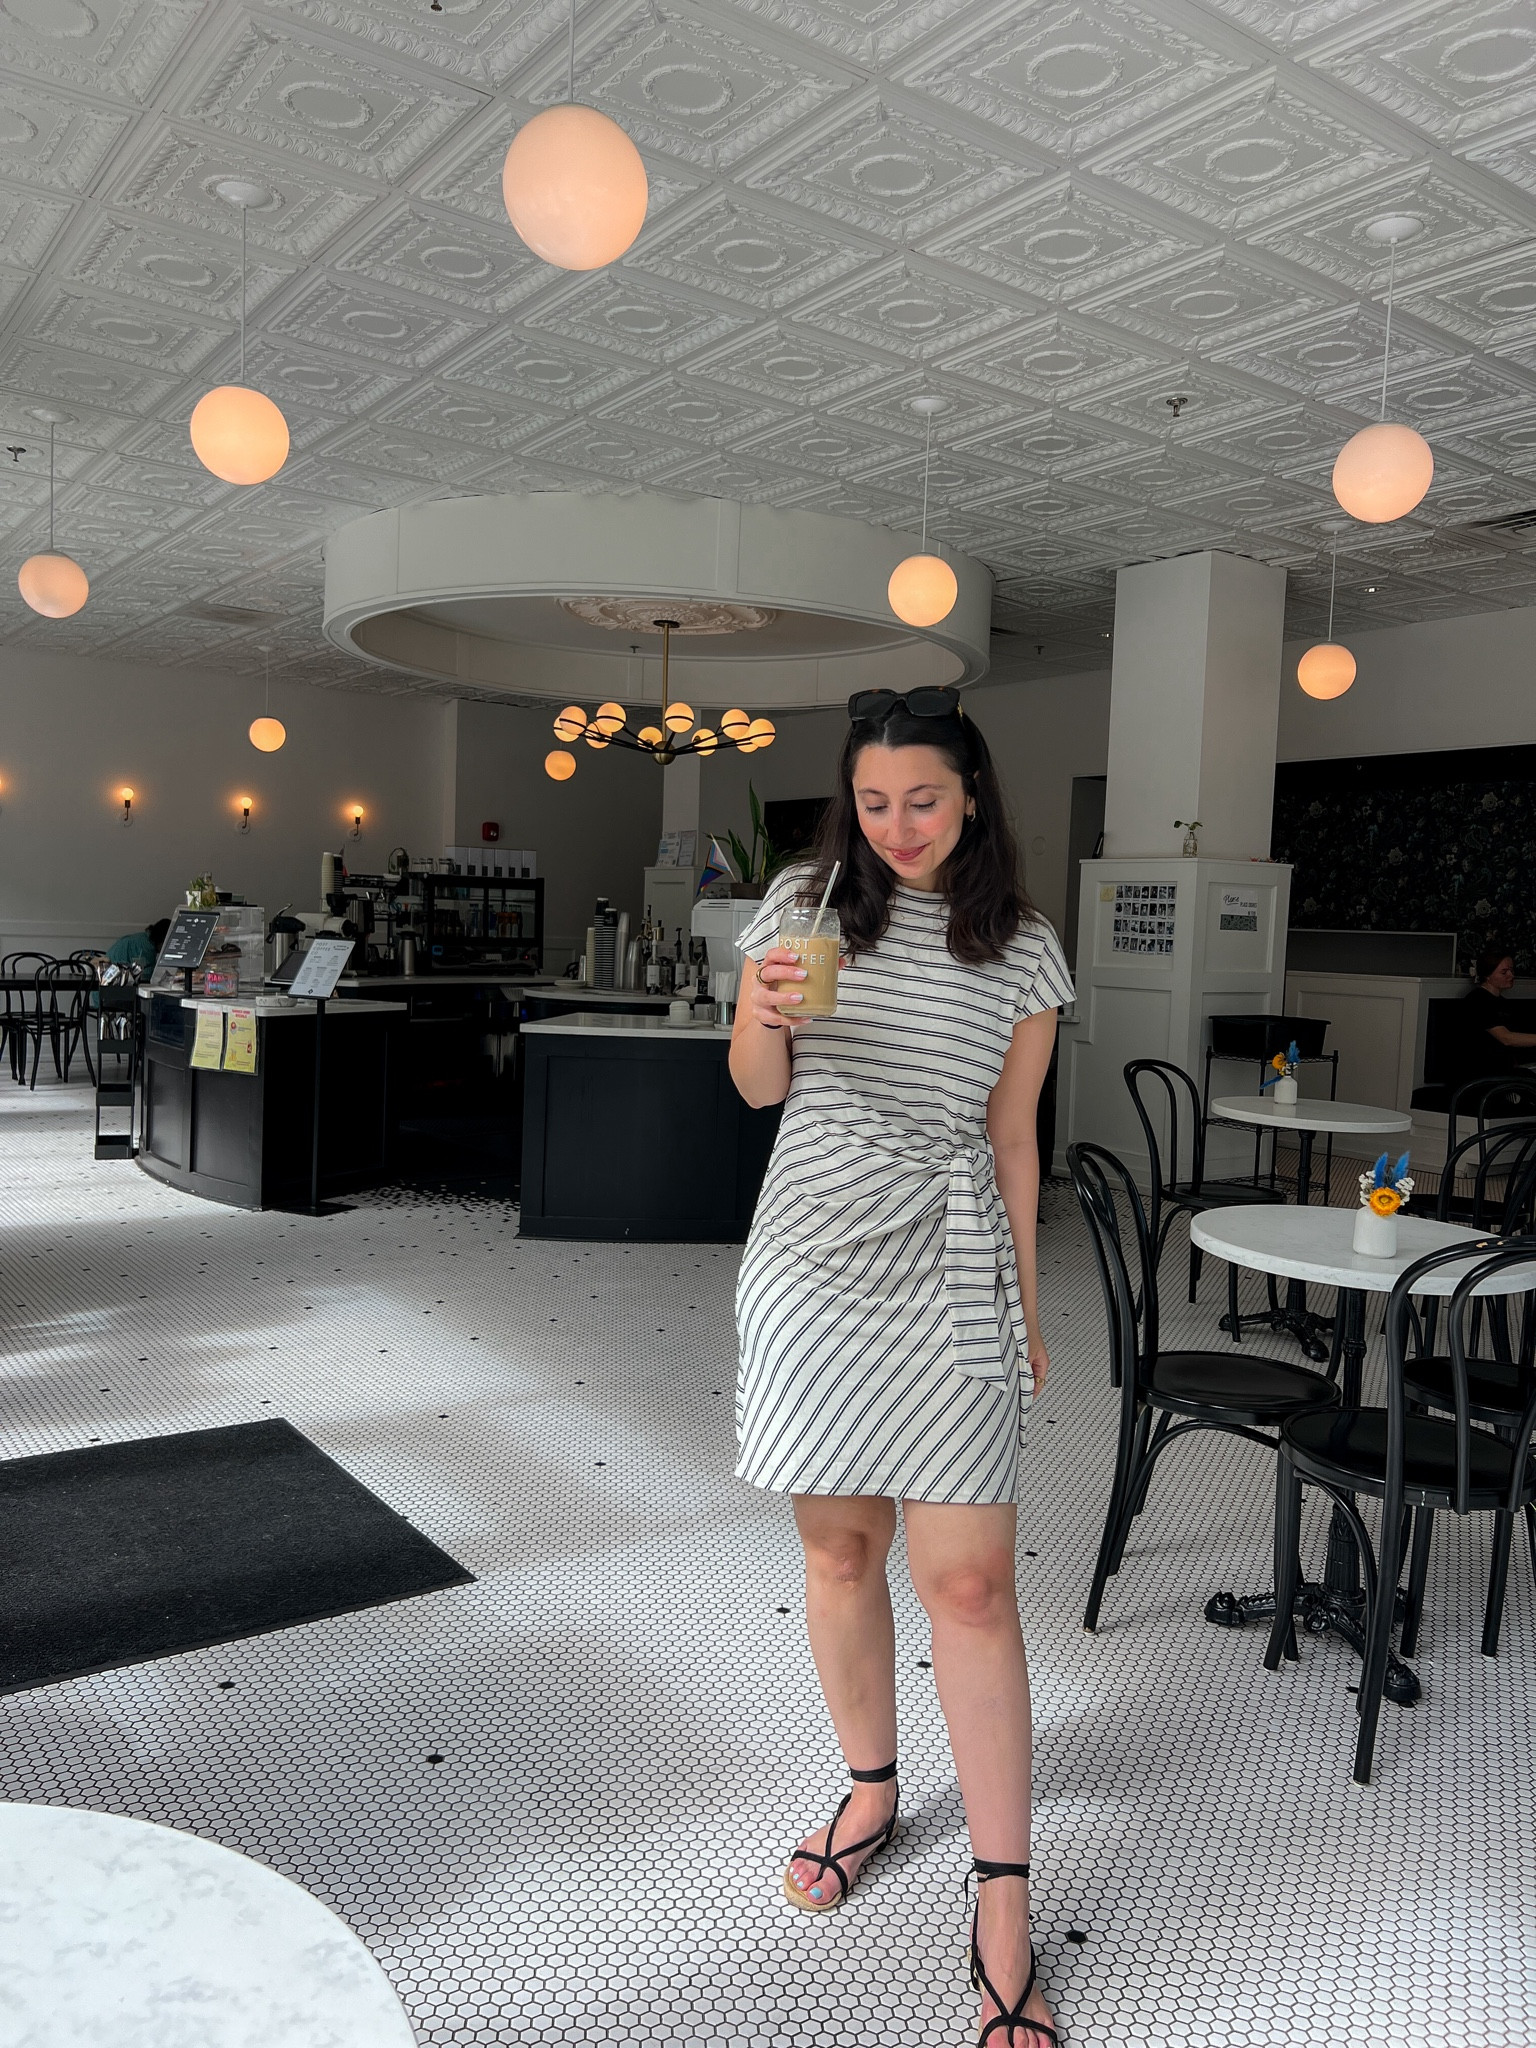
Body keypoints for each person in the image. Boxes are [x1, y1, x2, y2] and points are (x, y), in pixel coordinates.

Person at [728, 686, 1072, 2046]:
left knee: (972, 1583)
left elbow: (1013, 1145)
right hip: (812, 1260)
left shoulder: (1025, 947)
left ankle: (1002, 1895)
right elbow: (757, 1088)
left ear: (973, 794)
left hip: (951, 1264)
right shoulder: (805, 911)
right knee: (838, 1553)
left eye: (922, 800)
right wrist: (763, 1009)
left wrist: (1032, 1309)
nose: (898, 827)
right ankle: (871, 1789)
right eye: (873, 804)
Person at [1460, 946, 1536, 1077]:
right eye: (1504, 972)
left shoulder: (1502, 1002)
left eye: (1511, 970)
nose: (1511, 975)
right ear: (1487, 975)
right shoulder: (1477, 1000)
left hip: (1502, 1070)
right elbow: (1506, 1038)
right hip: (1482, 1073)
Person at [106, 918, 170, 978]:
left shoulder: (143, 938)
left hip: (111, 967)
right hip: (115, 973)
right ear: (162, 939)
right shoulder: (146, 947)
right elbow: (145, 976)